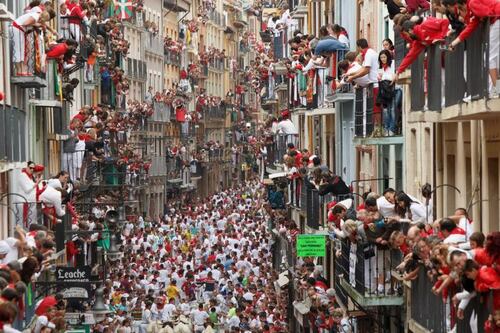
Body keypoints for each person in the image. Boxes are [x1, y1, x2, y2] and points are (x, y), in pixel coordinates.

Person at [377, 50, 397, 136]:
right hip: (383, 89)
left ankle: (391, 129)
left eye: (384, 57)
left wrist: (387, 79)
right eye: (381, 57)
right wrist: (380, 77)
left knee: (392, 109)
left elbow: (394, 76)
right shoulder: (380, 67)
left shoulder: (392, 64)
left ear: (388, 57)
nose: (383, 59)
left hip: (391, 88)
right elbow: (379, 78)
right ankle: (386, 128)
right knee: (385, 110)